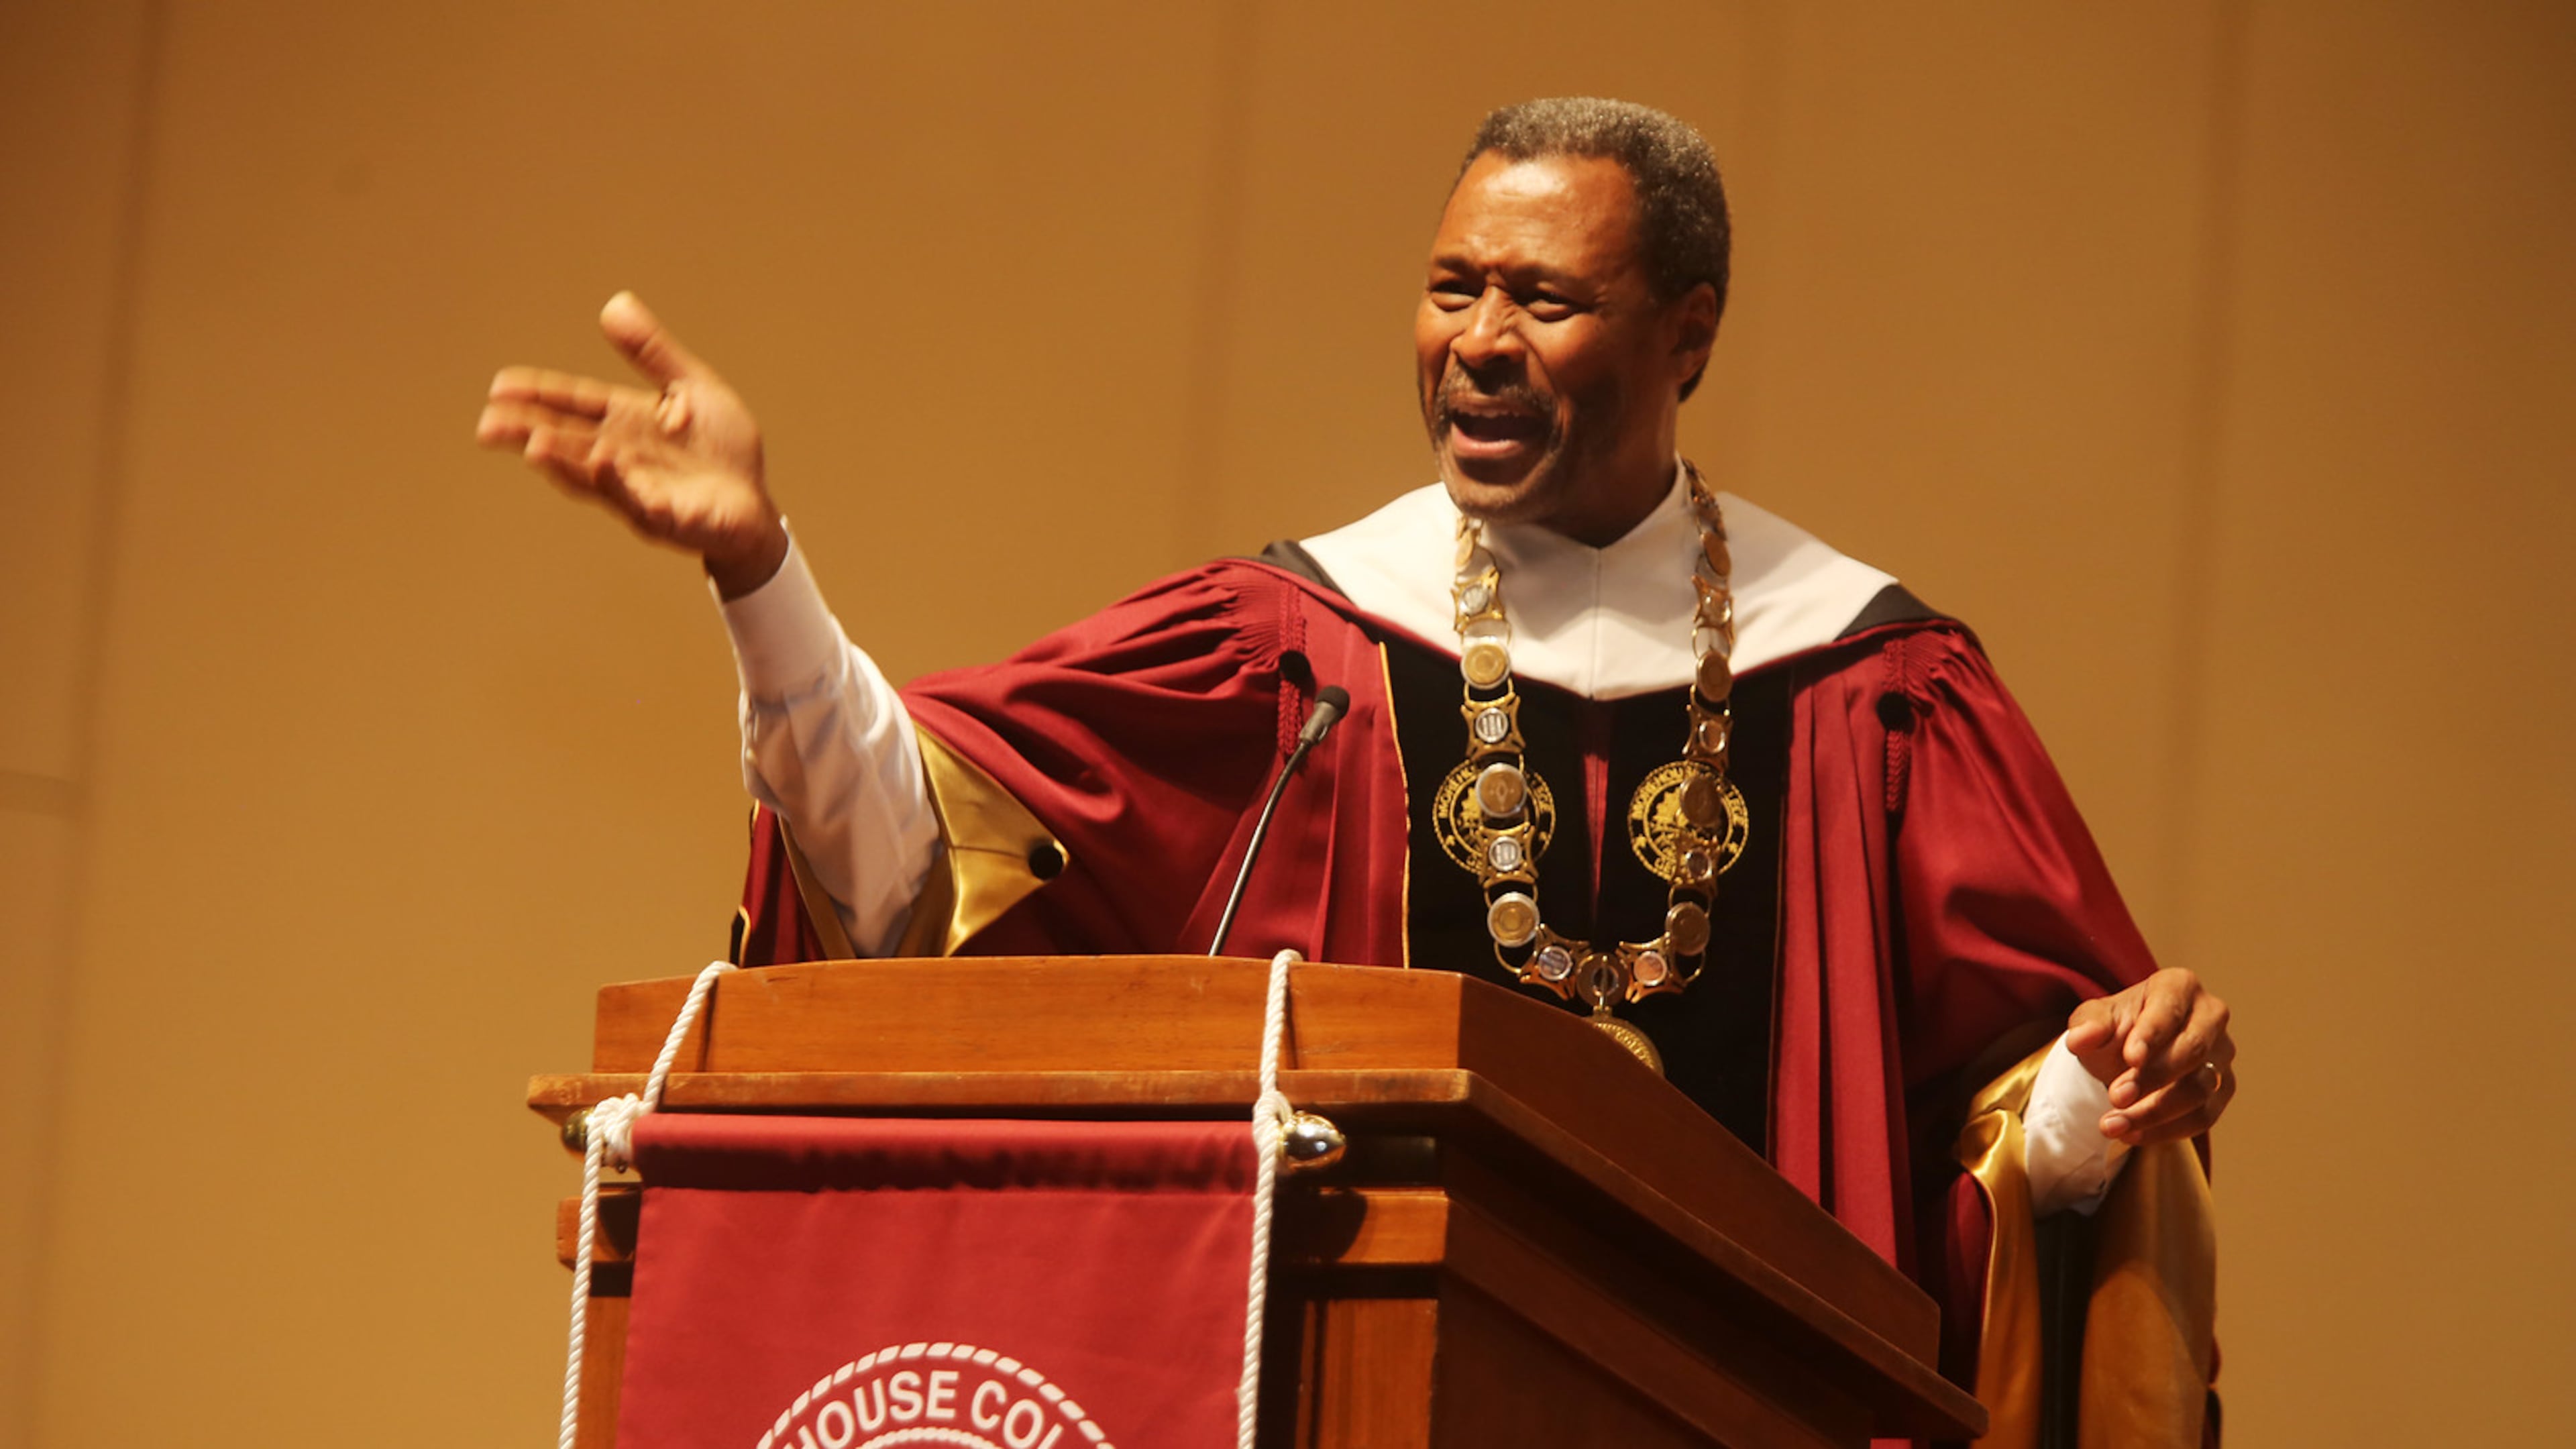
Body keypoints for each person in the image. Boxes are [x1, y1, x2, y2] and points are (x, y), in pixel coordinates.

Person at [478, 97, 2229, 1444]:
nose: (1478, 339)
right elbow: (909, 876)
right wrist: (758, 570)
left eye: (1544, 298)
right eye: (1453, 286)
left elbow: (2007, 1167)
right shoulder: (1291, 651)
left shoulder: (1874, 690)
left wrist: (2105, 1092)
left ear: (1688, 333)